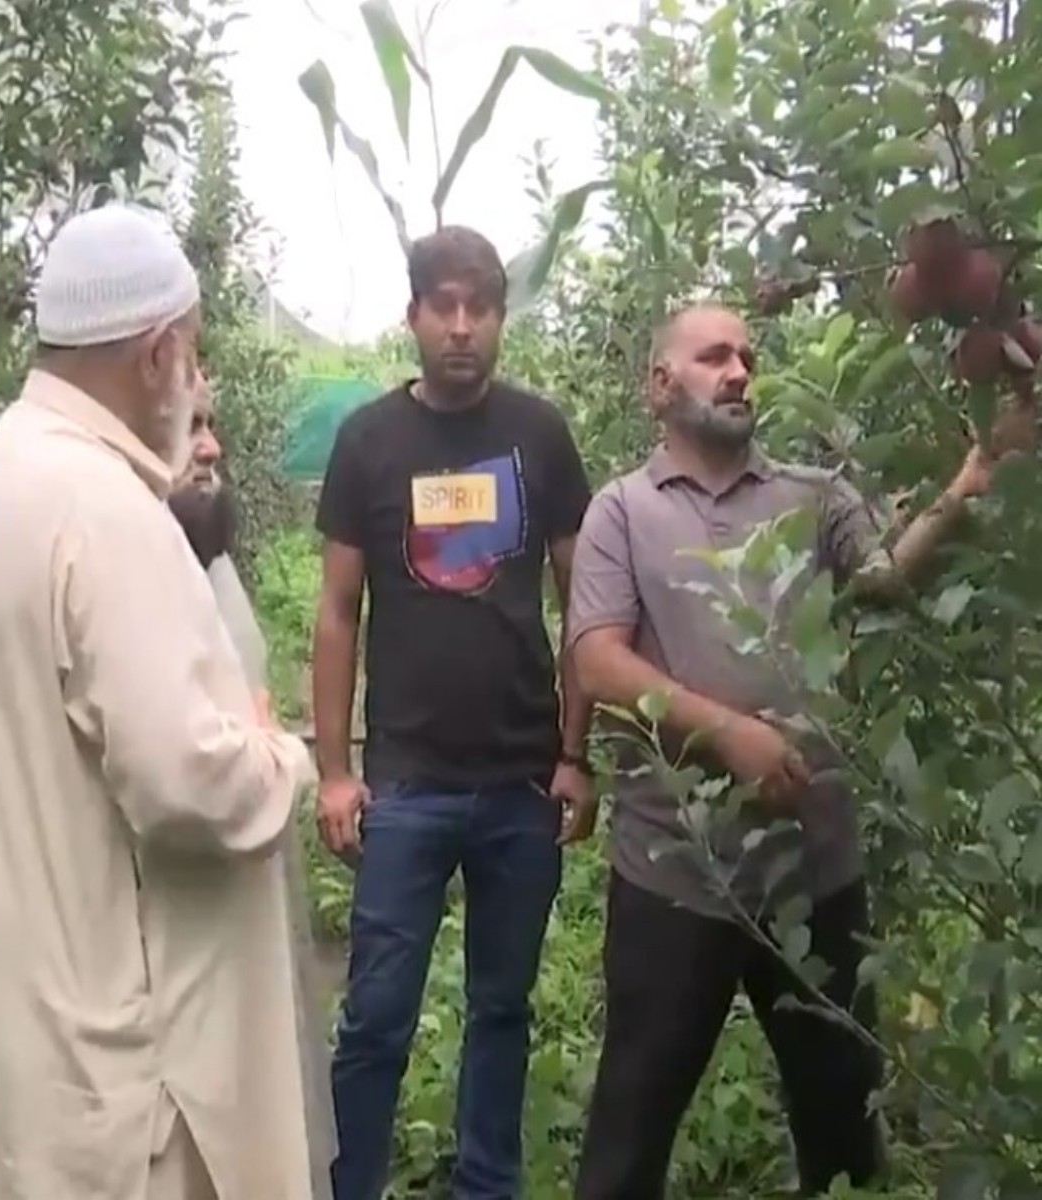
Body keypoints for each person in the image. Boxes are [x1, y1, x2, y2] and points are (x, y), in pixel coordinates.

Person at [565, 303, 1031, 1199]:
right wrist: (728, 732)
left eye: (748, 355)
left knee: (844, 1133)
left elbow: (886, 577)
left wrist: (976, 474)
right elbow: (597, 659)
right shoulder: (621, 511)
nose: (740, 371)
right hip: (678, 879)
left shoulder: (813, 496)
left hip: (816, 874)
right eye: (713, 357)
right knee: (628, 1141)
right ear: (660, 385)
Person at [0, 202, 318, 1200]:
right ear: (158, 354)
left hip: (43, 1011)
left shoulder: (7, 464)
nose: (195, 382)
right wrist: (285, 758)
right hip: (138, 1048)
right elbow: (183, 780)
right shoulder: (108, 508)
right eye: (192, 356)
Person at [311, 224, 599, 1200]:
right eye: (445, 306)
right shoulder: (367, 442)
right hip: (406, 783)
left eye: (481, 307)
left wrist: (576, 753)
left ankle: (488, 1185)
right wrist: (336, 771)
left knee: (501, 1012)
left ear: (500, 318)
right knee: (376, 1015)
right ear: (414, 316)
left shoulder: (541, 435)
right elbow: (336, 614)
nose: (463, 327)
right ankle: (350, 1184)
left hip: (521, 781)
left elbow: (583, 604)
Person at [167, 380, 338, 1200]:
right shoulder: (130, 580)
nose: (211, 449)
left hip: (248, 898)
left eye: (212, 425)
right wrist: (281, 756)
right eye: (188, 426)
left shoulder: (209, 562)